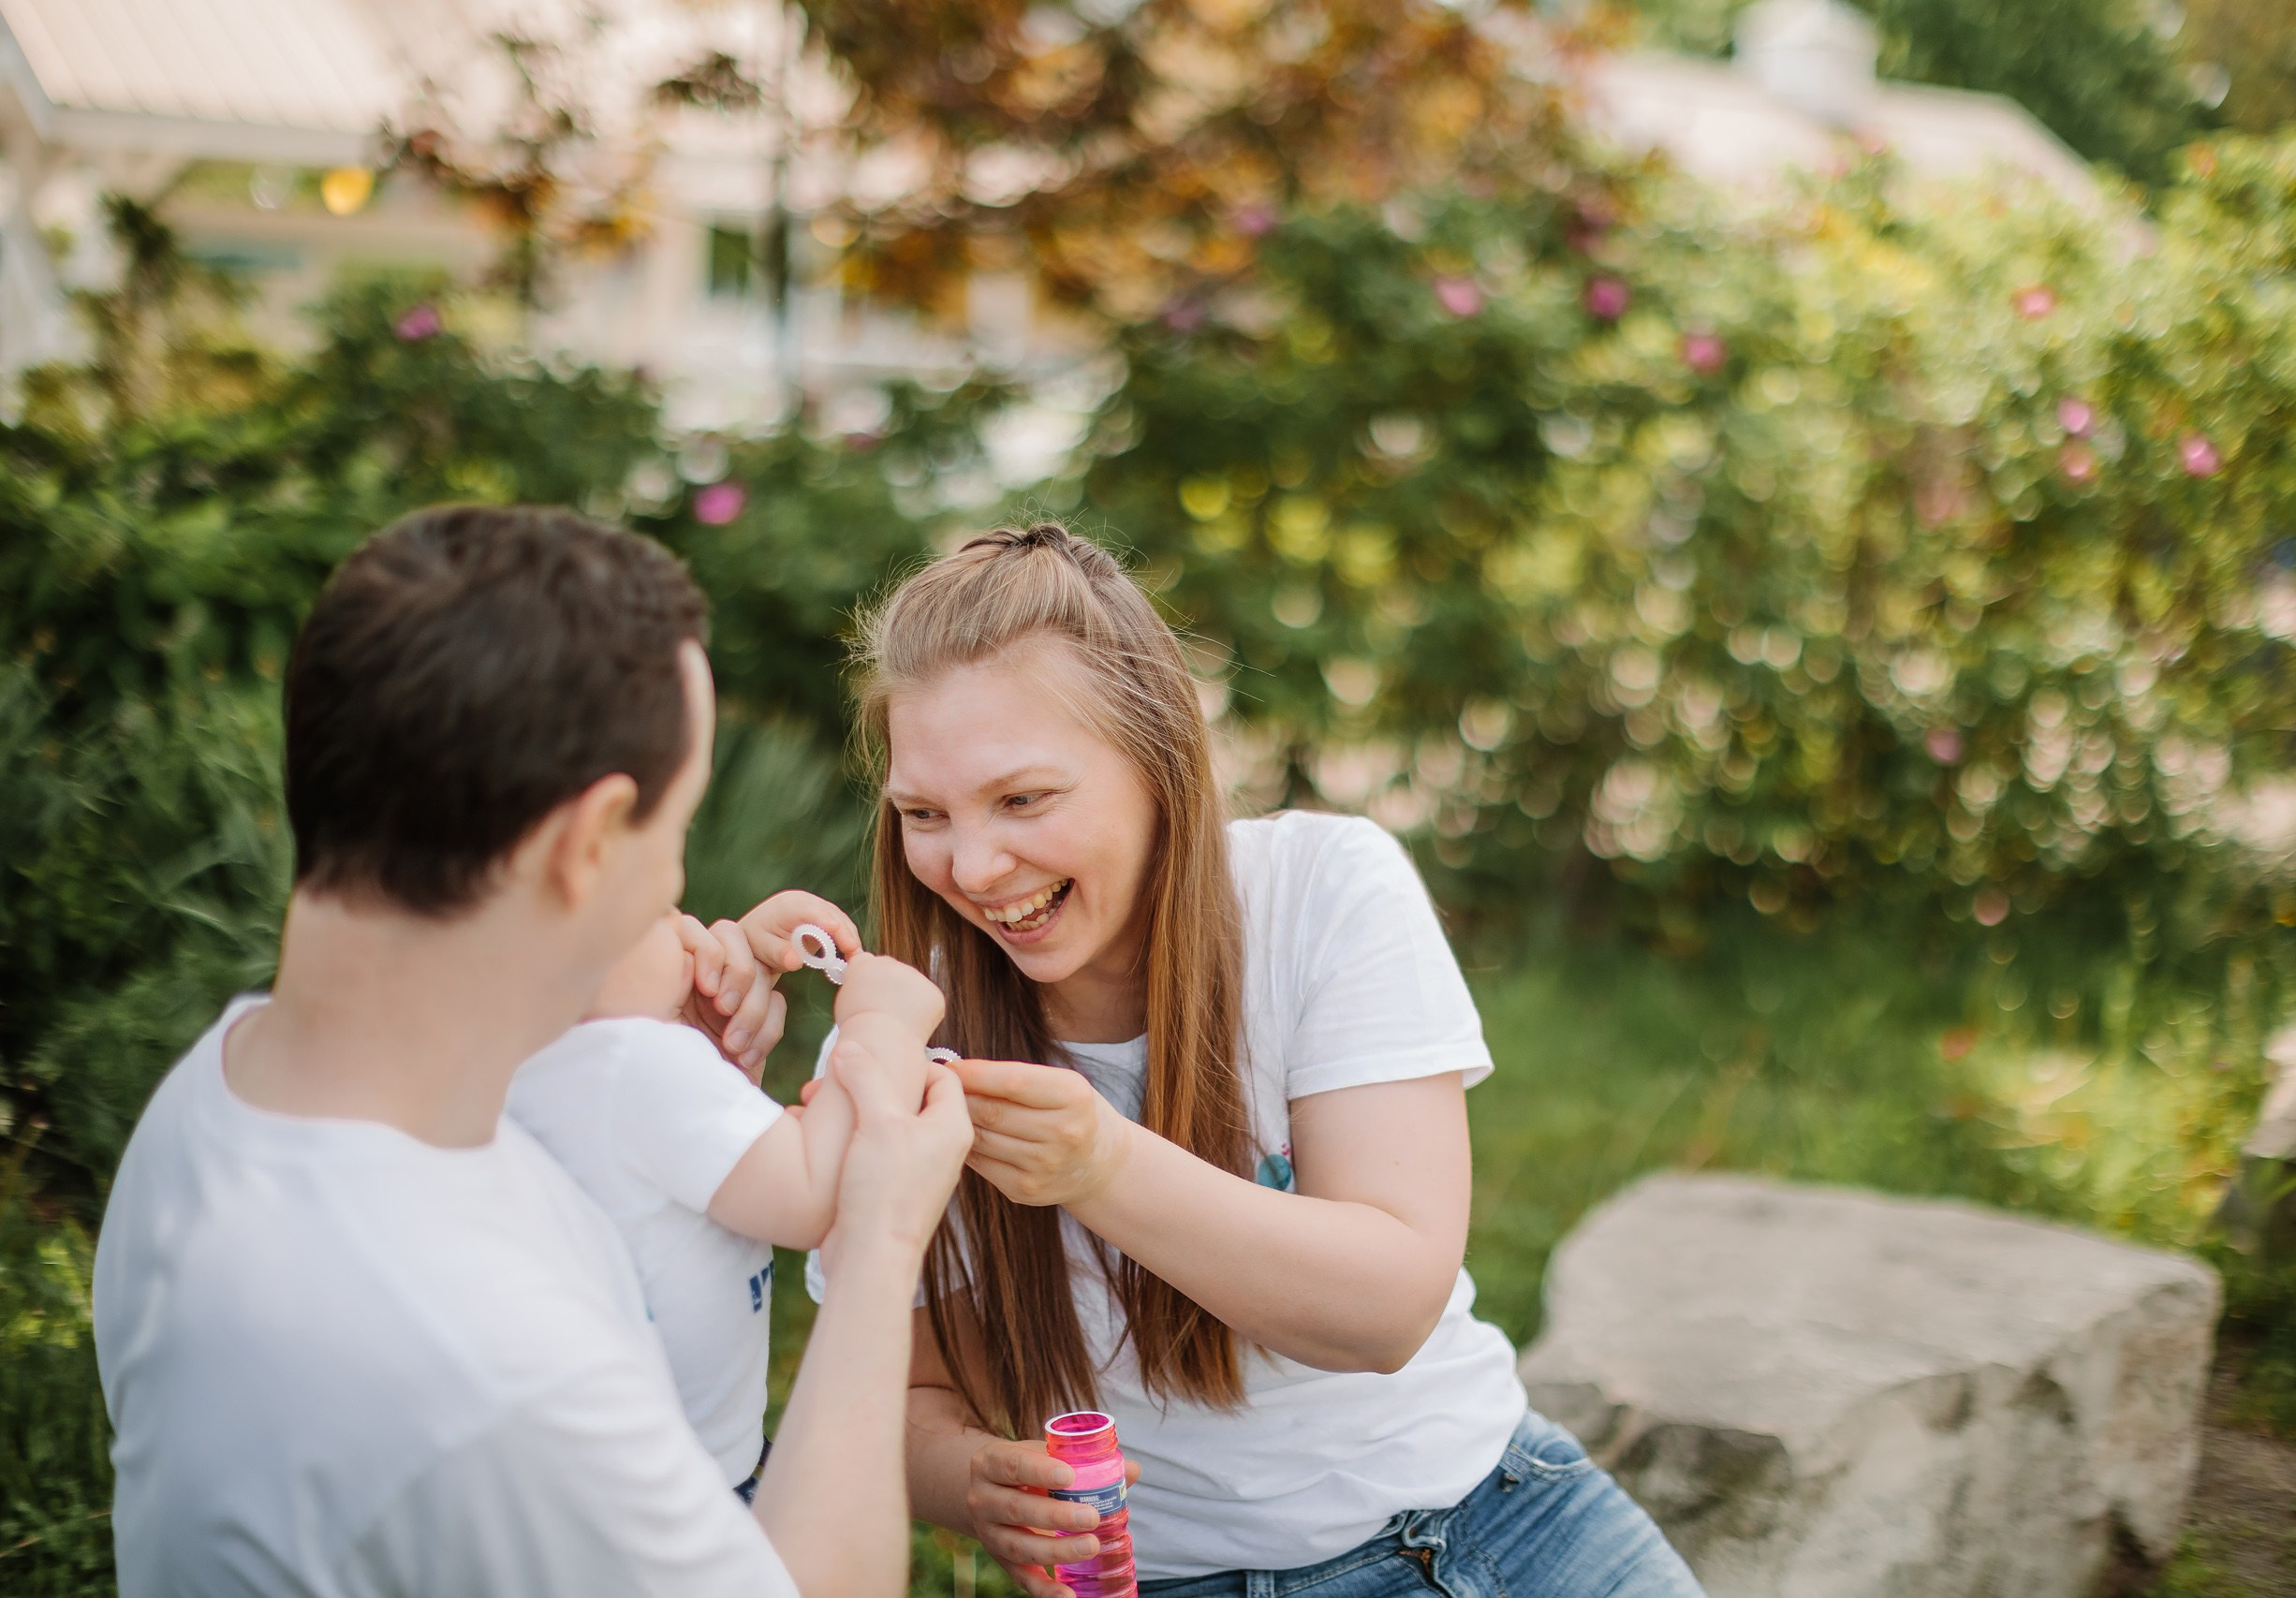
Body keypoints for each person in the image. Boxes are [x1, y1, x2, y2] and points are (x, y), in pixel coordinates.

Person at [724, 525, 1705, 1598]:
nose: (971, 864)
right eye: (924, 814)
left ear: (1157, 762)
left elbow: (1388, 1308)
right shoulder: (911, 1033)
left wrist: (1100, 1167)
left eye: (1023, 800)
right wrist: (974, 1483)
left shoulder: (1323, 891)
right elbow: (908, 1398)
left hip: (1499, 1529)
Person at [92, 506, 970, 1597]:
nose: (678, 890)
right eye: (677, 830)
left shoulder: (218, 1098)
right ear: (588, 844)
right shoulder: (493, 1373)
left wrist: (653, 1041)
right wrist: (883, 1235)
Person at [508, 898, 933, 1499]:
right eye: (657, 909)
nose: (688, 929)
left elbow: (708, 1170)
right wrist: (882, 1027)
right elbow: (814, 1196)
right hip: (692, 1494)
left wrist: (713, 1056)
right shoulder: (634, 1059)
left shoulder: (532, 1066)